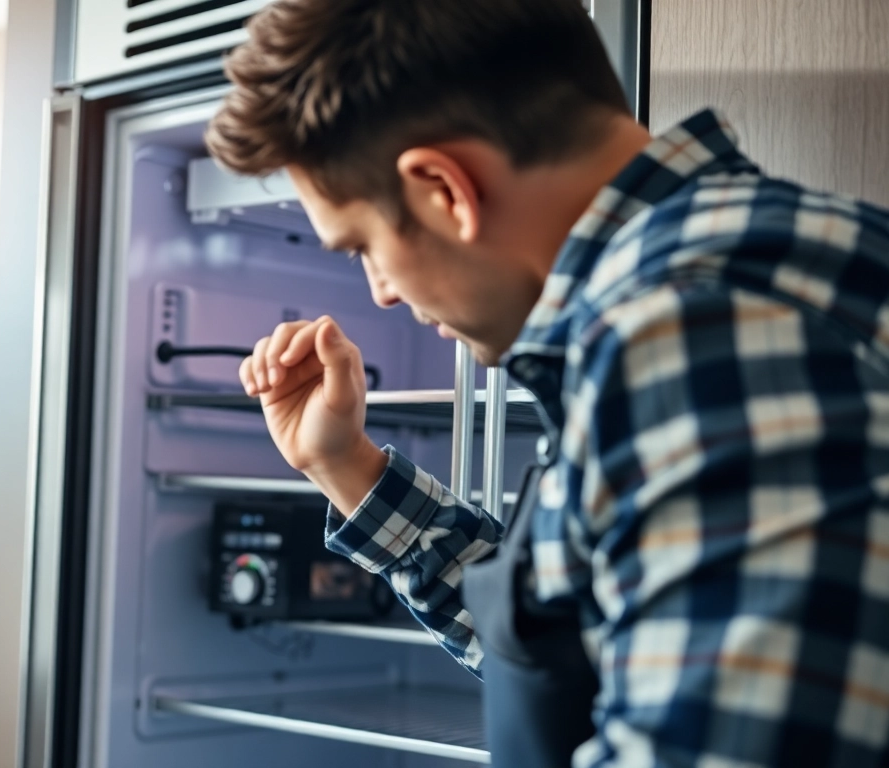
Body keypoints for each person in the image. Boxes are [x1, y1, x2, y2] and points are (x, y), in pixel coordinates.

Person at [206, 1, 889, 765]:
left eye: (363, 243)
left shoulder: (686, 331)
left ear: (444, 190)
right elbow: (581, 647)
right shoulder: (734, 269)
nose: (382, 293)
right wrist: (346, 466)